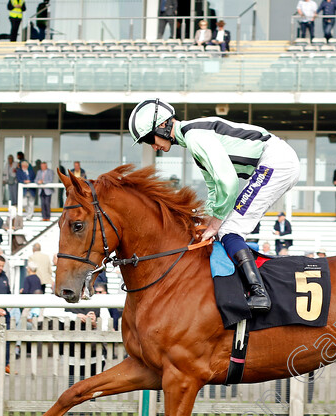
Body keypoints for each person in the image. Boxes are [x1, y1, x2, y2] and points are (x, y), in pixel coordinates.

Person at [128, 99, 301, 313]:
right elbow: (214, 188)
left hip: (276, 161)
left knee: (229, 229)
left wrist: (216, 222)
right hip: (275, 161)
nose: (152, 146)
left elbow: (228, 183)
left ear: (162, 125)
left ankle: (259, 294)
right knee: (225, 229)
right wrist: (208, 221)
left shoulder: (195, 136)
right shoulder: (193, 138)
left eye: (148, 138)